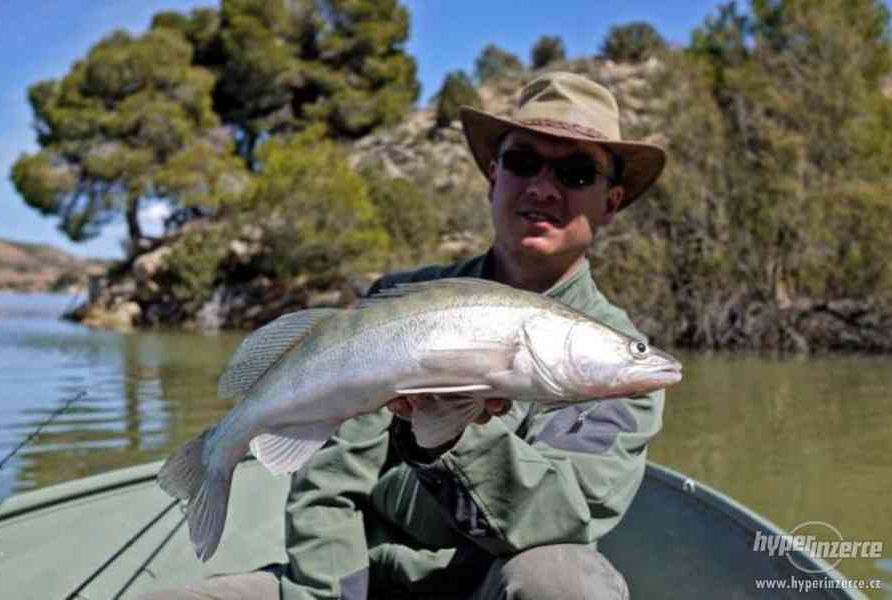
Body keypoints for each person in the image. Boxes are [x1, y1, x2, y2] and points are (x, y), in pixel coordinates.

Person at [140, 71, 667, 600]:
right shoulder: (400, 296)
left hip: (491, 589)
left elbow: (559, 520)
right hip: (362, 580)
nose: (543, 188)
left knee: (562, 582)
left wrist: (456, 433)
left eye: (576, 172)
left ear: (612, 202)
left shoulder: (624, 379)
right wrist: (330, 593)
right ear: (493, 176)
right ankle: (215, 459)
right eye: (522, 162)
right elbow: (329, 481)